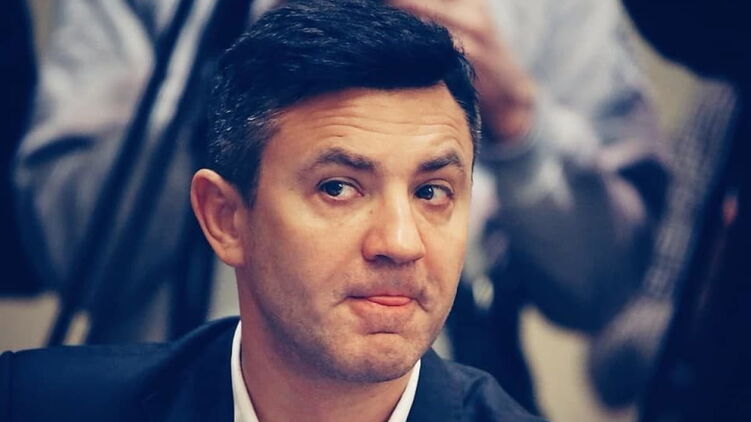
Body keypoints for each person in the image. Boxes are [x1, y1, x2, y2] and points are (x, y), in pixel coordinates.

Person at [0, 2, 548, 421]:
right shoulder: (30, 402)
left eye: (431, 192)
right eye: (338, 187)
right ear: (224, 218)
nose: (401, 243)